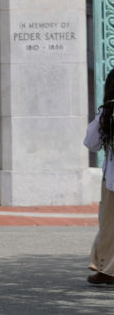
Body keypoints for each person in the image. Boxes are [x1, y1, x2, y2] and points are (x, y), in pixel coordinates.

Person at [85, 68, 114, 285]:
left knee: (109, 225)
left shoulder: (108, 113)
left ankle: (106, 269)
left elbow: (91, 143)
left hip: (113, 180)